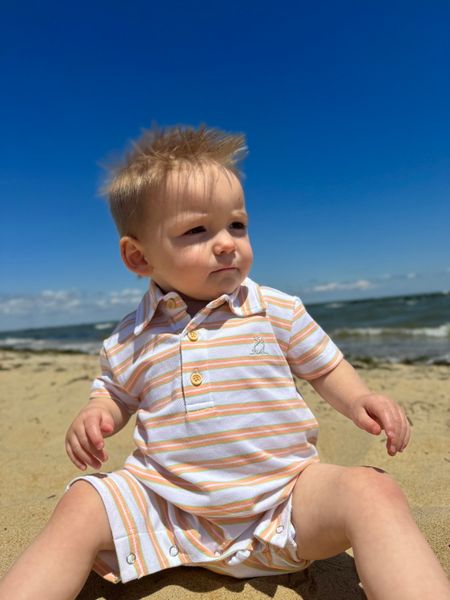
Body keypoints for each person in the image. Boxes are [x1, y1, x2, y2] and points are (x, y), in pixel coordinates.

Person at [1, 125, 449, 600]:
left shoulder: (274, 309)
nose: (226, 242)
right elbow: (114, 392)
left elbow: (323, 367)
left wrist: (360, 397)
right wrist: (97, 414)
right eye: (197, 229)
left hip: (283, 503)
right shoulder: (129, 337)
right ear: (138, 256)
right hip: (167, 510)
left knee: (373, 492)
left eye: (237, 224)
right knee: (80, 503)